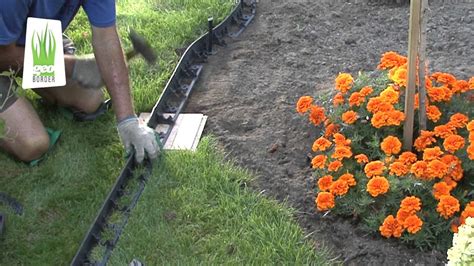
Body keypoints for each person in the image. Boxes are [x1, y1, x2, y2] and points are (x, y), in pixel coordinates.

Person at [0, 0, 159, 163]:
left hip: (29, 38)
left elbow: (106, 39)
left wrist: (128, 120)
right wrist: (73, 66)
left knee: (90, 100)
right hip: (3, 51)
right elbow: (3, 55)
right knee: (33, 144)